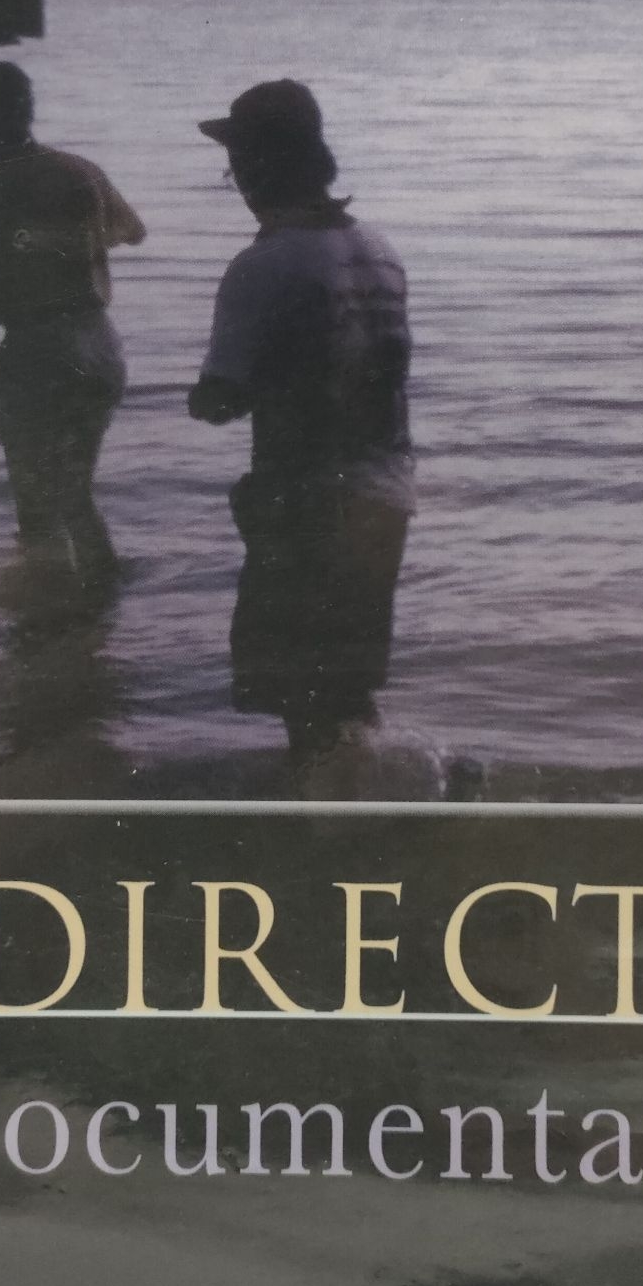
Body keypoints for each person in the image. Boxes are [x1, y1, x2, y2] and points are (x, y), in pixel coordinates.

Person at [189, 80, 414, 791]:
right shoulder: (377, 249)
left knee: (300, 694)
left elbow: (220, 397)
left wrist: (206, 396)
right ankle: (376, 801)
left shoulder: (261, 266)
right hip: (386, 495)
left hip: (305, 503)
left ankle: (321, 821)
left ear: (258, 166)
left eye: (237, 162)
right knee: (350, 685)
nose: (234, 179)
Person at [0, 61, 145, 579]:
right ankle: (100, 598)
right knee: (76, 494)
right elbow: (132, 231)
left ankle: (51, 606)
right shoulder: (81, 171)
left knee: (37, 506)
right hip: (99, 344)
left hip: (38, 350)